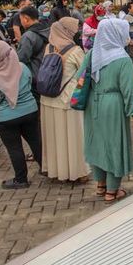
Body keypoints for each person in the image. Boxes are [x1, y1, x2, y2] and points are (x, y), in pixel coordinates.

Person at [84, 17, 133, 202]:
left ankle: (101, 185)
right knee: (114, 145)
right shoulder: (122, 59)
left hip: (92, 104)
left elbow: (80, 78)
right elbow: (128, 92)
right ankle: (112, 190)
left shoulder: (93, 54)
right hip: (113, 105)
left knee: (98, 143)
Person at [0, 41, 42, 189]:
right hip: (30, 111)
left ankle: (21, 179)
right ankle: (46, 168)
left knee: (15, 149)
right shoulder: (22, 68)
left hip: (5, 118)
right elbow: (29, 84)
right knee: (36, 142)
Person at [39, 17, 88, 183]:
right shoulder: (75, 51)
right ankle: (77, 172)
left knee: (54, 137)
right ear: (67, 32)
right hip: (68, 101)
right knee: (72, 137)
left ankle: (56, 170)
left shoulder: (49, 47)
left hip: (48, 99)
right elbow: (85, 73)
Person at [16, 6, 51, 84]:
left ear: (26, 19)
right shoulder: (48, 29)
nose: (21, 22)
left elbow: (21, 58)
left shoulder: (28, 36)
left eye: (20, 19)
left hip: (34, 75)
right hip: (49, 71)